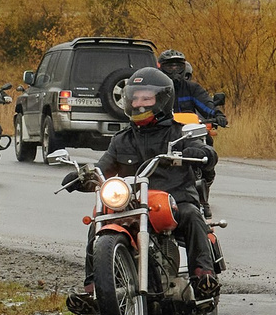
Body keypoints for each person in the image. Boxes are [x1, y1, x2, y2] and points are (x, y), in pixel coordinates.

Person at [89, 66, 219, 298]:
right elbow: (103, 166)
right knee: (98, 219)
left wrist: (202, 153)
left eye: (146, 98)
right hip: (133, 203)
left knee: (191, 214)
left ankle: (203, 275)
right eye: (135, 97)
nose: (139, 103)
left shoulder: (180, 133)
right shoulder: (121, 140)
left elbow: (205, 151)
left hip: (175, 200)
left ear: (162, 99)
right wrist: (86, 175)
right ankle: (93, 289)